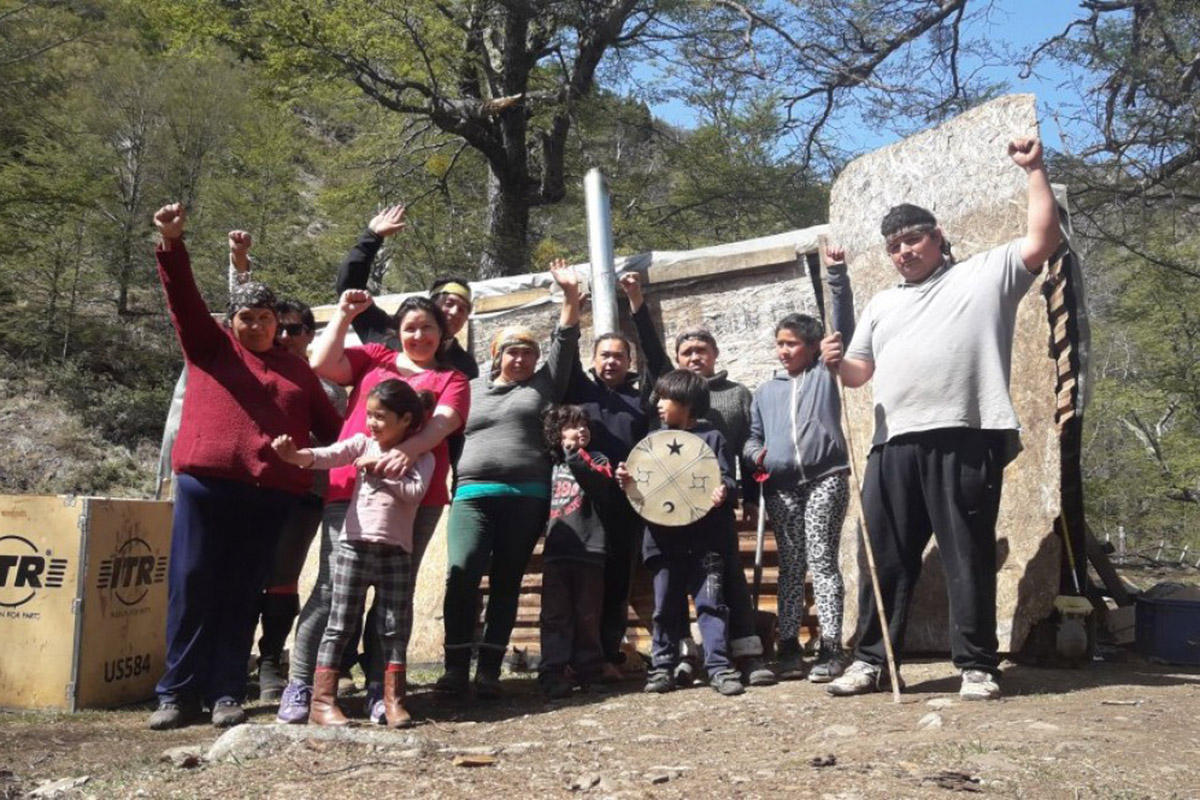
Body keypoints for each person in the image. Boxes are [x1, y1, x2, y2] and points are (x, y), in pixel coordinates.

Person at [824, 137, 1062, 701]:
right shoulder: (882, 304)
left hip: (965, 434)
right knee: (884, 558)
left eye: (912, 239)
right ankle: (871, 661)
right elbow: (860, 373)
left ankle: (977, 666)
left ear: (938, 238)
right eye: (893, 246)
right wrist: (838, 363)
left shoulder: (986, 274)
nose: (903, 251)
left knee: (966, 555)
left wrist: (1034, 169)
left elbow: (1042, 237)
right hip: (893, 444)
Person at [147, 203, 342, 730]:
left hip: (269, 495)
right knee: (191, 585)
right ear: (231, 323)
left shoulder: (297, 373)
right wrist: (171, 242)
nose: (255, 325)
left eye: (264, 318)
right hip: (204, 486)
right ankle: (176, 693)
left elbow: (336, 431)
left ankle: (228, 691)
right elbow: (182, 299)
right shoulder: (209, 349)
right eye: (245, 318)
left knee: (241, 591)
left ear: (278, 323)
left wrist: (382, 439)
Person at [278, 291, 469, 724]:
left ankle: (380, 693)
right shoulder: (375, 357)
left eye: (428, 328)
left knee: (393, 600)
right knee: (330, 592)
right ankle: (303, 685)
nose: (418, 335)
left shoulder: (451, 379)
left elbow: (444, 423)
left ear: (442, 334)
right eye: (410, 328)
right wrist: (344, 315)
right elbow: (322, 363)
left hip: (416, 499)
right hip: (350, 488)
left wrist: (405, 454)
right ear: (397, 332)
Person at [437, 258, 581, 699]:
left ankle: (489, 671)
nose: (520, 358)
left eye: (528, 353)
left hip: (526, 497)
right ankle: (455, 667)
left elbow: (565, 340)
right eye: (512, 351)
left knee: (506, 582)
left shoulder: (542, 387)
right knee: (461, 576)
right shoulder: (468, 387)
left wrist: (570, 297)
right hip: (472, 495)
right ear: (496, 355)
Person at [626, 281, 774, 687]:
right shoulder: (663, 411)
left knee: (725, 589)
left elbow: (746, 451)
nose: (694, 357)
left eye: (700, 351)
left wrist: (744, 494)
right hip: (668, 526)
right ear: (676, 361)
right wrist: (637, 303)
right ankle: (677, 661)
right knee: (669, 600)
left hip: (713, 516)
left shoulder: (737, 395)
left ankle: (736, 659)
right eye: (686, 352)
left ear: (714, 355)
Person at [273, 380, 436, 728]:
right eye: (370, 415)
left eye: (381, 416)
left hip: (397, 552)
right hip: (353, 546)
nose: (372, 423)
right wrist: (296, 457)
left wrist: (378, 469)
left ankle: (393, 700)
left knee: (394, 627)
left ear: (406, 419)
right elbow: (328, 455)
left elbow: (415, 492)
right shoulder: (363, 443)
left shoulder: (423, 456)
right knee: (340, 623)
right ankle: (323, 701)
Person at [743, 246, 855, 682]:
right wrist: (758, 456)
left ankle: (830, 647)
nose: (783, 352)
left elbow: (841, 329)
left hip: (826, 478)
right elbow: (752, 437)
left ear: (811, 347)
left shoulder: (824, 374)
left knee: (822, 560)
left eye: (790, 344)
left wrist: (837, 275)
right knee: (791, 564)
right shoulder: (765, 391)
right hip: (781, 486)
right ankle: (788, 646)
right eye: (779, 345)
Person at [564, 273, 671, 679]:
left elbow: (659, 362)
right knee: (581, 579)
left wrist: (636, 301)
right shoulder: (579, 389)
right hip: (583, 499)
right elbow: (565, 350)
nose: (611, 361)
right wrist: (573, 302)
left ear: (628, 362)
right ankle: (575, 657)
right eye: (604, 355)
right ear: (594, 360)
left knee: (617, 580)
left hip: (627, 499)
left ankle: (606, 654)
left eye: (619, 356)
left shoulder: (640, 397)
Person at [617, 369, 744, 696]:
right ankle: (663, 667)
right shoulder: (651, 443)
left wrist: (722, 492)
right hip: (663, 540)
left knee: (711, 604)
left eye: (665, 398)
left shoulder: (713, 438)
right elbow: (641, 485)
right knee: (665, 609)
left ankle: (718, 666)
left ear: (687, 403)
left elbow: (728, 481)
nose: (658, 404)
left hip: (707, 541)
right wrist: (627, 481)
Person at [255, 297, 348, 702]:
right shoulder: (255, 371)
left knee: (284, 576)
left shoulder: (328, 385)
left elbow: (338, 436)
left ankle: (271, 661)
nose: (286, 336)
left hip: (307, 491)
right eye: (281, 328)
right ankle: (230, 660)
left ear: (311, 335)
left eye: (295, 329)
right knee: (246, 576)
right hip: (254, 488)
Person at [334, 203, 479, 380]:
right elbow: (350, 287)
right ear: (431, 305)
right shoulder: (384, 331)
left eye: (463, 309)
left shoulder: (464, 366)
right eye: (448, 304)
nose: (455, 312)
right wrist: (372, 237)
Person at [538, 405, 620, 699]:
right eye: (573, 425)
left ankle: (589, 671)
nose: (581, 430)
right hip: (558, 551)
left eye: (584, 425)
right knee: (555, 614)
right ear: (557, 433)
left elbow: (599, 485)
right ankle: (553, 671)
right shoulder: (549, 463)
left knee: (588, 613)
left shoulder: (597, 459)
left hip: (591, 548)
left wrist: (575, 456)